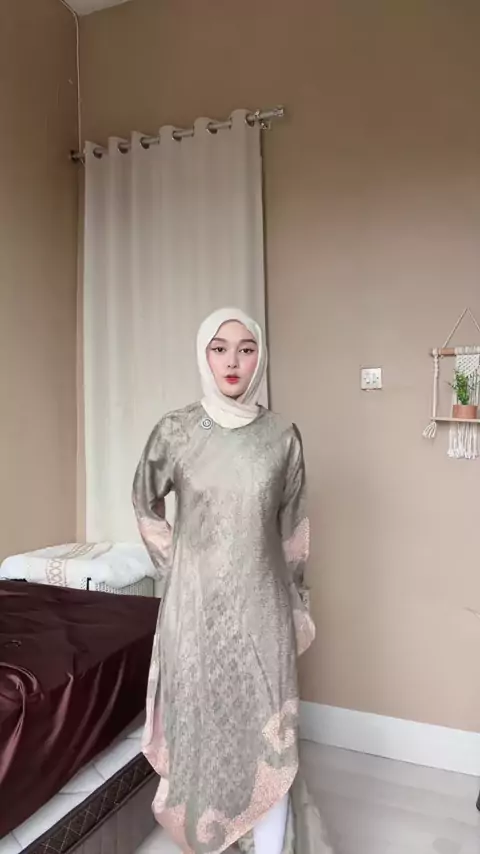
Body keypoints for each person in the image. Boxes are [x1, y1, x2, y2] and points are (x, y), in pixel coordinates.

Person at [132, 308, 334, 854]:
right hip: (194, 611)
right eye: (219, 348)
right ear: (204, 355)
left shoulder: (282, 437)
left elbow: (294, 532)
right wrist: (176, 566)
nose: (232, 361)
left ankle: (267, 844)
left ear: (259, 358)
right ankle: (210, 836)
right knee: (203, 727)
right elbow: (145, 503)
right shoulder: (176, 430)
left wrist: (296, 600)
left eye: (246, 349)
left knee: (266, 734)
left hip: (262, 609)